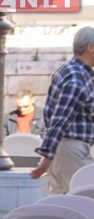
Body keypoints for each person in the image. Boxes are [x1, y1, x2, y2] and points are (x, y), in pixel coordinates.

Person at [30, 26, 94, 195]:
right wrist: (47, 156)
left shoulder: (70, 71)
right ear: (90, 47)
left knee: (62, 200)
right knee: (83, 198)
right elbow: (61, 118)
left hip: (67, 149)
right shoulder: (77, 77)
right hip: (70, 149)